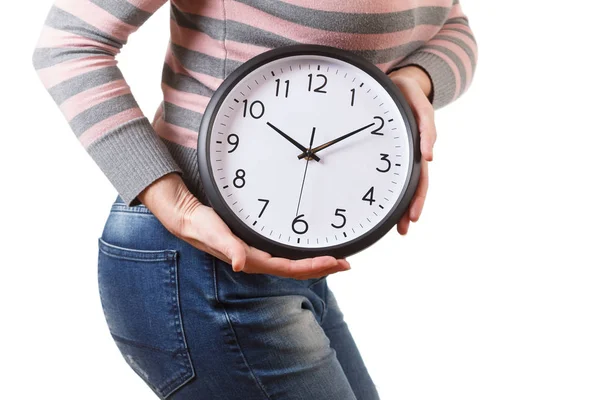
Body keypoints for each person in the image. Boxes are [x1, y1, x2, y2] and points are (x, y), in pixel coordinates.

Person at [32, 0, 478, 398]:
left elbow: (449, 21)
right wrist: (178, 207)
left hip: (288, 262)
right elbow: (68, 43)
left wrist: (412, 81)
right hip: (198, 263)